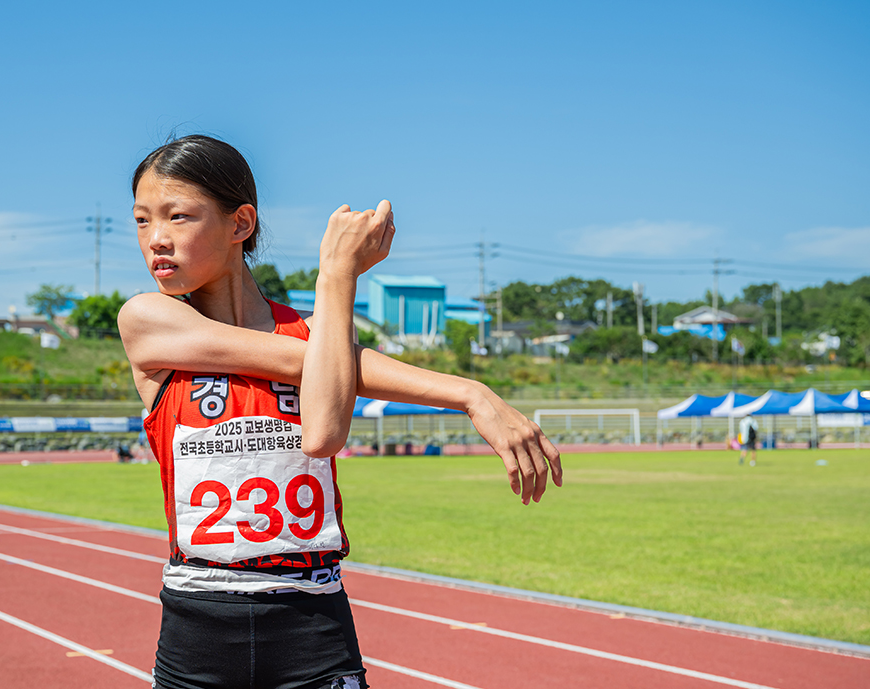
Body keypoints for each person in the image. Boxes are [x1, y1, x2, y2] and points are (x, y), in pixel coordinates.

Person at [118, 134, 562, 689]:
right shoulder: (147, 321)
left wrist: (473, 389)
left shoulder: (316, 334)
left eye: (178, 216)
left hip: (313, 628)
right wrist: (338, 276)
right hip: (198, 629)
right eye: (141, 220)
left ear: (240, 223)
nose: (156, 239)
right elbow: (314, 391)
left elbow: (324, 425)